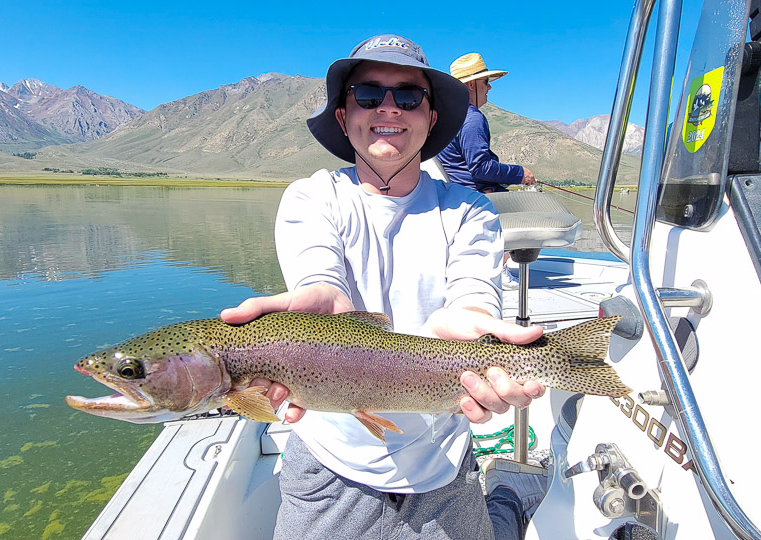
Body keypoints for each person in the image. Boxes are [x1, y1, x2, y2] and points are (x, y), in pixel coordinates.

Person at [219, 35, 548, 540]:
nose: (388, 107)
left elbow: (473, 294)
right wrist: (321, 299)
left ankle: (506, 496)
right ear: (342, 115)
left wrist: (476, 320)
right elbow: (319, 277)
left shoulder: (469, 208)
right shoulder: (312, 197)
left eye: (409, 96)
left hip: (445, 462)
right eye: (368, 95)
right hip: (327, 466)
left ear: (432, 117)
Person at [437, 52, 537, 193]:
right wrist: (520, 173)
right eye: (486, 82)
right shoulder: (472, 117)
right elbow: (481, 168)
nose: (489, 87)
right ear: (471, 84)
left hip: (457, 194)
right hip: (476, 198)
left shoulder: (446, 116)